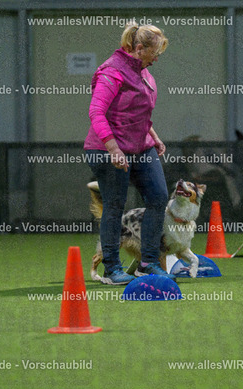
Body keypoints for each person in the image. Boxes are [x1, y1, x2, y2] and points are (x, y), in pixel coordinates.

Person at [84, 22, 173, 285]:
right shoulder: (112, 71)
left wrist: (154, 137)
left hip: (140, 147)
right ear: (139, 48)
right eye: (154, 52)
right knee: (114, 205)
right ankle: (112, 269)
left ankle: (149, 263)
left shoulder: (145, 73)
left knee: (158, 197)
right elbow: (96, 112)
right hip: (107, 148)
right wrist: (113, 148)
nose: (157, 58)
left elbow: (140, 115)